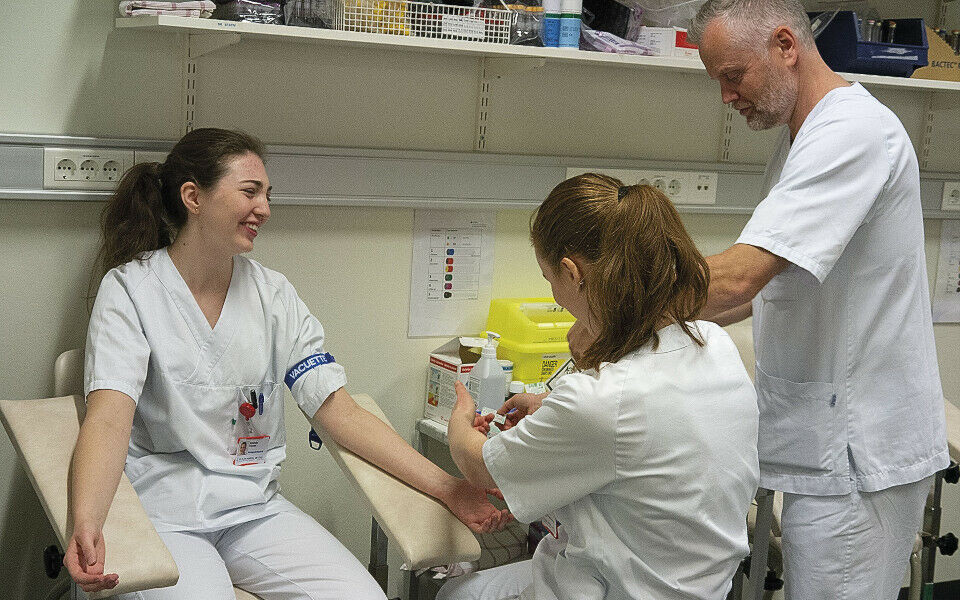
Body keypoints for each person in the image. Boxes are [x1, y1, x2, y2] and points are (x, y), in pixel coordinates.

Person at [65, 128, 510, 599]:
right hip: (164, 513)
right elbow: (109, 418)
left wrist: (447, 487)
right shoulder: (132, 290)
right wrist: (87, 522)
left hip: (252, 510)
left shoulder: (273, 296)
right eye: (250, 192)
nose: (265, 209)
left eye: (267, 195)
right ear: (193, 197)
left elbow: (337, 411)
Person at [688, 1, 949, 597]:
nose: (726, 97)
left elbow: (740, 279)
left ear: (785, 44)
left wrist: (620, 299)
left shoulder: (852, 132)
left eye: (733, 75)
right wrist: (640, 325)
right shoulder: (800, 138)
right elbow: (755, 293)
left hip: (859, 453)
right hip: (823, 440)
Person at [439, 174, 760, 600]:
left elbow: (480, 466)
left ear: (572, 273)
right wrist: (554, 406)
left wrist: (459, 420)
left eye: (550, 279)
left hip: (617, 591)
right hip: (698, 586)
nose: (555, 294)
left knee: (456, 594)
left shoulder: (602, 402)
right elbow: (648, 425)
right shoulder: (714, 343)